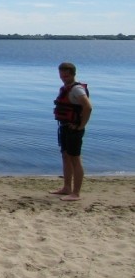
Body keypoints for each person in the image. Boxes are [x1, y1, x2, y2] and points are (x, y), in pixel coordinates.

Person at [50, 62, 92, 202]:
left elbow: (88, 107)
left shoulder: (77, 89)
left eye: (66, 75)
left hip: (74, 128)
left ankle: (76, 193)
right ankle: (67, 187)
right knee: (65, 156)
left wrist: (81, 125)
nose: (63, 78)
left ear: (73, 74)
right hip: (64, 127)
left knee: (75, 158)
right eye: (61, 75)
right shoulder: (65, 88)